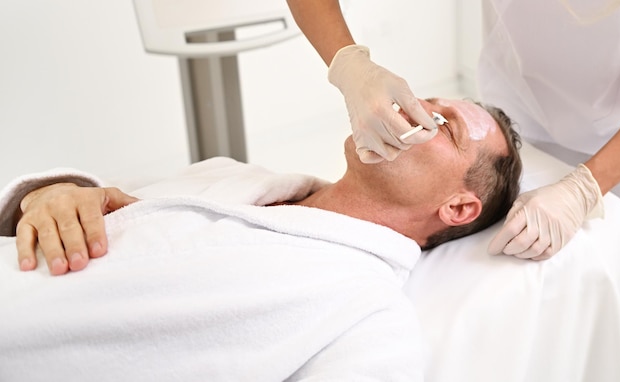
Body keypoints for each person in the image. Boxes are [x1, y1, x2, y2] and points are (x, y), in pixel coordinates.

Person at [0, 98, 521, 380]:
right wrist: (57, 193)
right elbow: (104, 199)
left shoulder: (368, 316)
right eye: (418, 101)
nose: (406, 112)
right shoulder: (235, 173)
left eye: (443, 126)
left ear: (457, 207)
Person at [285, 0, 620, 261]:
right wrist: (348, 63)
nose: (411, 106)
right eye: (430, 102)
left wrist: (585, 188)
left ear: (459, 208)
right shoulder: (242, 188)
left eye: (445, 127)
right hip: (513, 91)